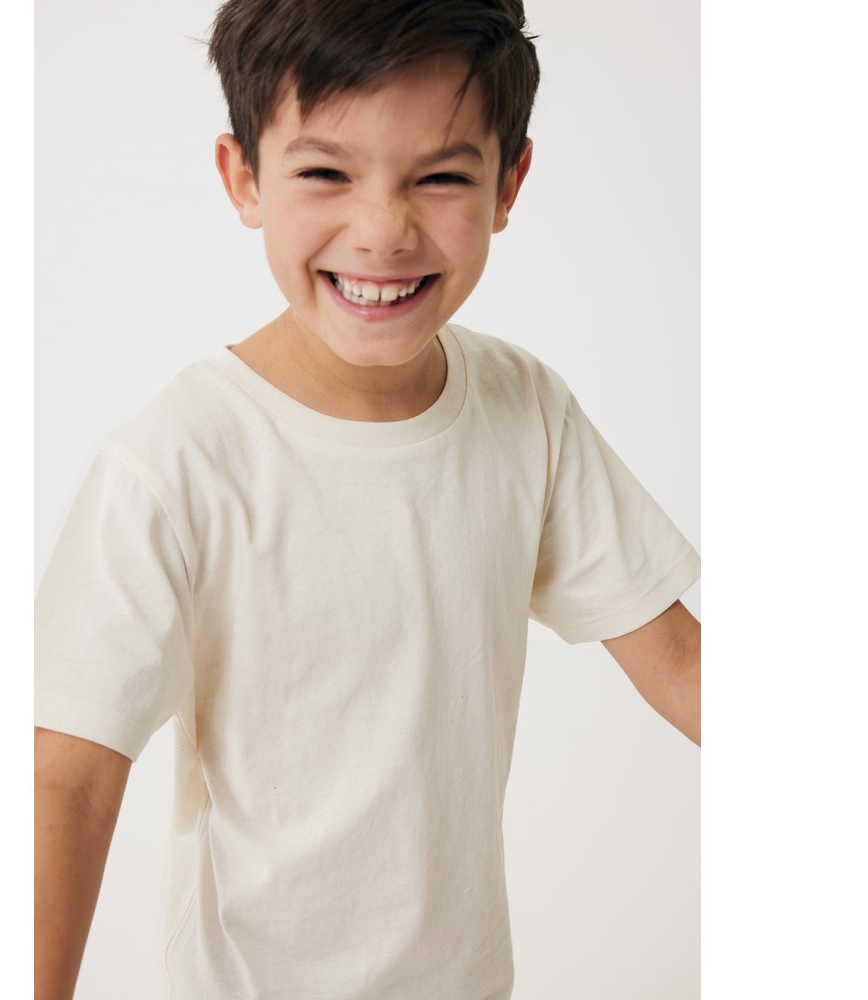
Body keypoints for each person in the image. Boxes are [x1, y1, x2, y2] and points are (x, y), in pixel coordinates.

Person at [34, 1, 700, 997]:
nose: (384, 230)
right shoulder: (175, 462)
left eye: (440, 177)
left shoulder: (524, 411)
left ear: (509, 184)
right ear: (243, 177)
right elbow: (68, 780)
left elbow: (684, 663)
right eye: (325, 173)